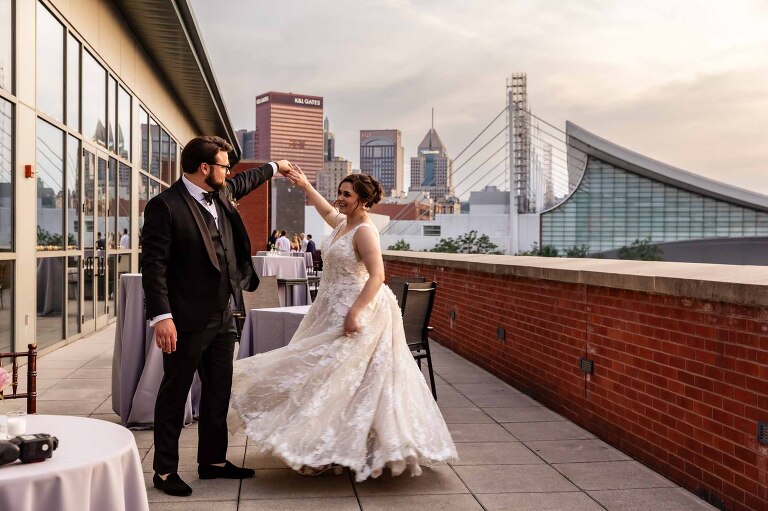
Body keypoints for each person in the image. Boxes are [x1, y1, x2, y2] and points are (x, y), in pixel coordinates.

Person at [229, 167, 457, 481]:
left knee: (338, 378)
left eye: (347, 194)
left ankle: (331, 451)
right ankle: (328, 448)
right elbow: (326, 209)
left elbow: (377, 276)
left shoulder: (364, 230)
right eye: (339, 192)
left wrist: (355, 312)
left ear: (363, 200)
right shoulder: (343, 223)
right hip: (329, 308)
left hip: (357, 309)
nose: (340, 198)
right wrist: (306, 185)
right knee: (329, 378)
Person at [141, 134, 292, 497]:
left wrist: (275, 167)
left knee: (218, 391)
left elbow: (244, 180)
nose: (229, 171)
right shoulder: (165, 205)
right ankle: (164, 471)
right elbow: (153, 265)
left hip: (224, 313)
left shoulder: (222, 191)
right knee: (175, 394)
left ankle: (213, 462)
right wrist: (162, 317)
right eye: (224, 165)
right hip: (186, 317)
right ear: (205, 168)